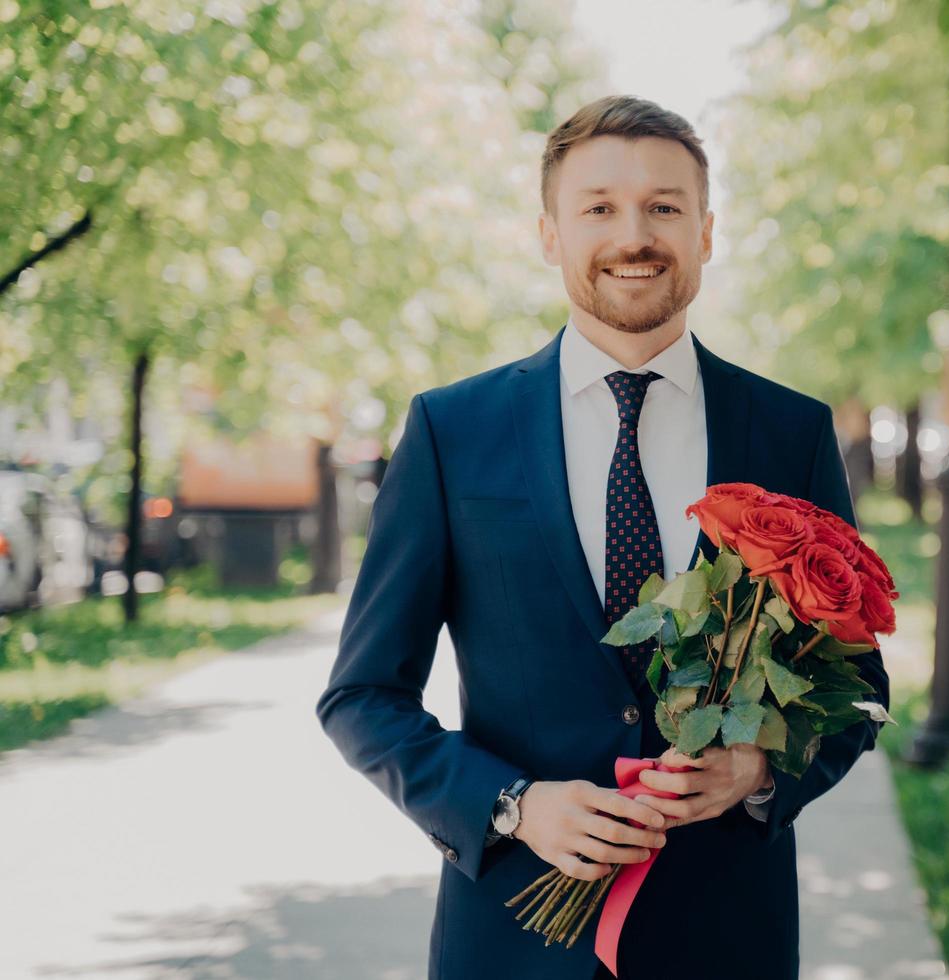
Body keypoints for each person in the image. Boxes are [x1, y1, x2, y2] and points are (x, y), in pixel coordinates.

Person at [315, 94, 890, 980]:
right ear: (550, 233)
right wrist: (512, 805)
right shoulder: (450, 433)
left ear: (706, 231)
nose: (635, 235)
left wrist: (758, 774)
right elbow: (361, 697)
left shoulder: (790, 432)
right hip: (510, 938)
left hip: (727, 937)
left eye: (664, 207)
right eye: (599, 208)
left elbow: (856, 690)